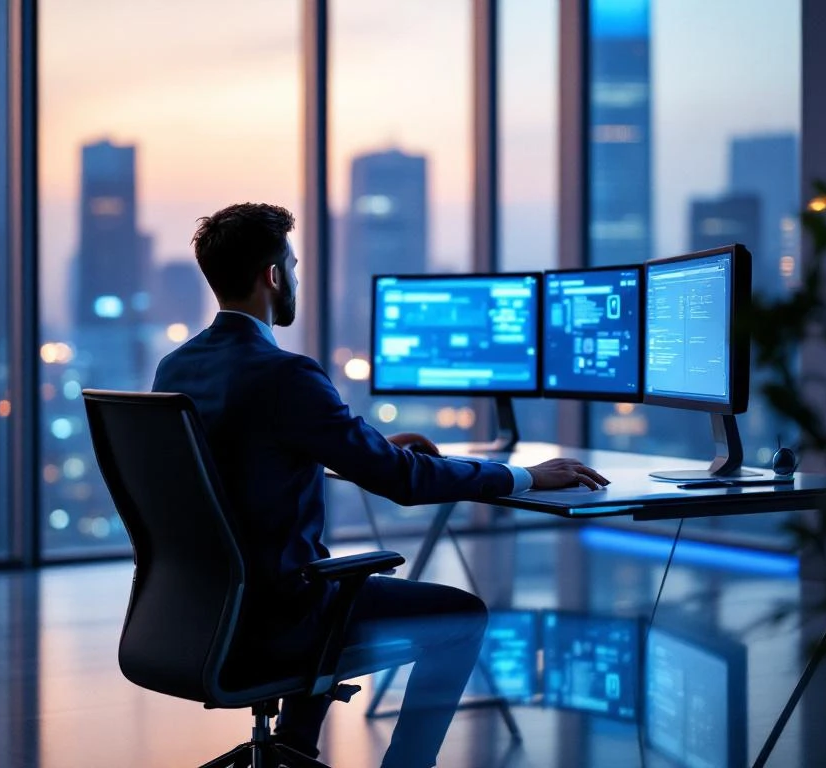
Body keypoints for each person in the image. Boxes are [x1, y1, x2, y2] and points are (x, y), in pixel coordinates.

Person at [152, 202, 609, 768]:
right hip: (276, 618)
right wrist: (525, 476)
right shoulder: (285, 375)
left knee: (321, 584)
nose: (295, 277)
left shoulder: (176, 368)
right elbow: (404, 484)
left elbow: (240, 466)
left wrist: (371, 449)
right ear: (273, 276)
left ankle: (292, 748)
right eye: (291, 265)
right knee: (461, 617)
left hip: (197, 614)